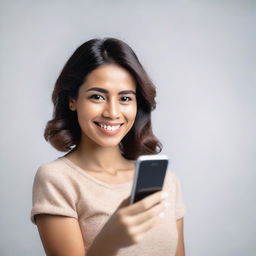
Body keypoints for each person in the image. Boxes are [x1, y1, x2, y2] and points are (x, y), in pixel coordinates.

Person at [30, 37, 187, 256]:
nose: (112, 113)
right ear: (72, 100)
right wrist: (111, 239)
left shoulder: (167, 182)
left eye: (125, 98)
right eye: (97, 96)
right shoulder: (56, 179)